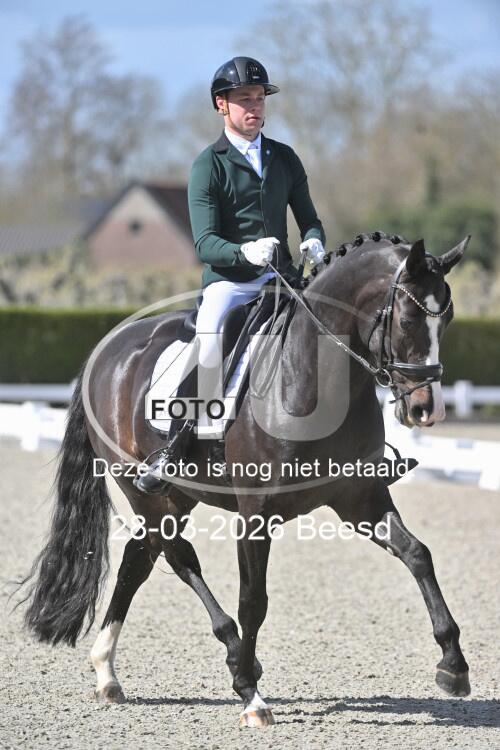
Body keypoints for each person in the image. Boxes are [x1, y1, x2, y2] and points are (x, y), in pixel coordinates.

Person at [135, 56, 326, 494]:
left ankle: (358, 441)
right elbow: (204, 244)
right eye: (244, 99)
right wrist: (244, 251)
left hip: (281, 280)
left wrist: (314, 240)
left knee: (332, 332)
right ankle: (174, 446)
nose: (255, 106)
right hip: (231, 284)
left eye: (259, 98)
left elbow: (309, 219)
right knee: (209, 339)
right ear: (221, 104)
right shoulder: (209, 164)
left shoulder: (285, 158)